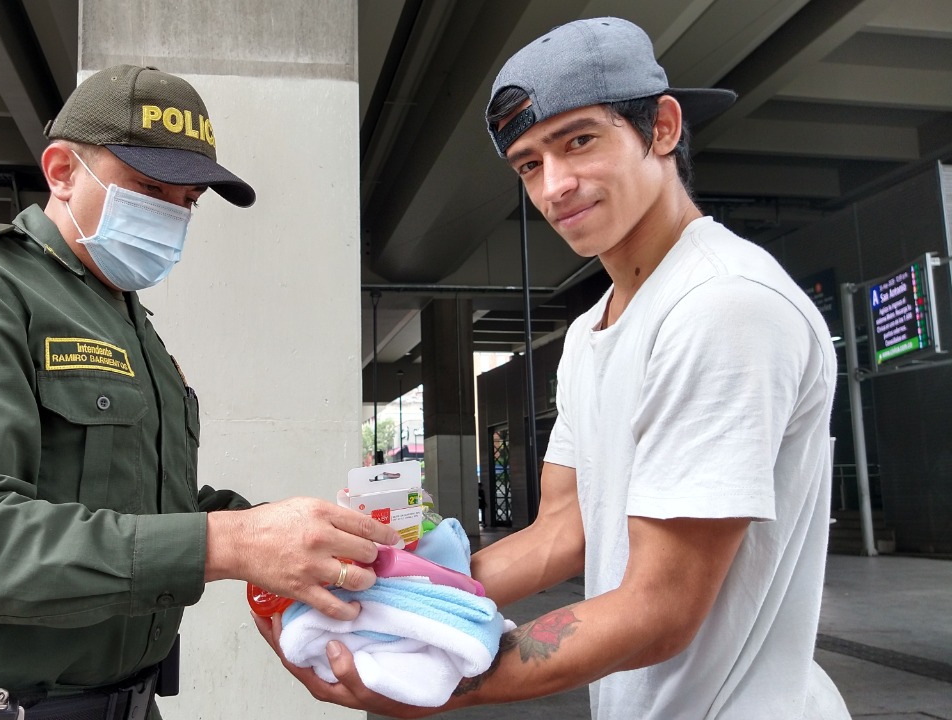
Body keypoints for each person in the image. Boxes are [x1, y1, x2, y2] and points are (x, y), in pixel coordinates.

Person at [256, 17, 849, 719]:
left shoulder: (723, 305)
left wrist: (441, 680)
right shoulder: (592, 331)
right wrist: (394, 590)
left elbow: (661, 608)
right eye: (530, 164)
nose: (555, 186)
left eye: (579, 141)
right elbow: (566, 534)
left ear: (661, 128)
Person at [0, 65, 399, 720]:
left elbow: (141, 499)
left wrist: (292, 531)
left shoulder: (127, 321)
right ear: (61, 171)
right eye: (147, 188)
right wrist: (232, 542)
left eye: (187, 200)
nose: (171, 215)